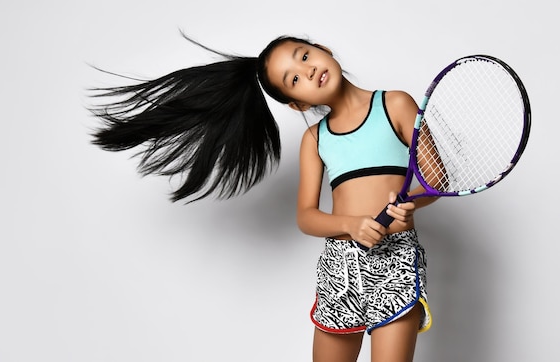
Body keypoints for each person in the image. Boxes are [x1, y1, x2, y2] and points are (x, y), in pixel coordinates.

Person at [89, 33, 439, 362]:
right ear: (297, 104)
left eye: (304, 56)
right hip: (341, 267)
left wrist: (409, 207)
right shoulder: (315, 139)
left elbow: (436, 178)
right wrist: (351, 225)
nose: (308, 69)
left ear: (324, 51)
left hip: (395, 259)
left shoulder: (394, 104)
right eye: (294, 79)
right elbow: (307, 216)